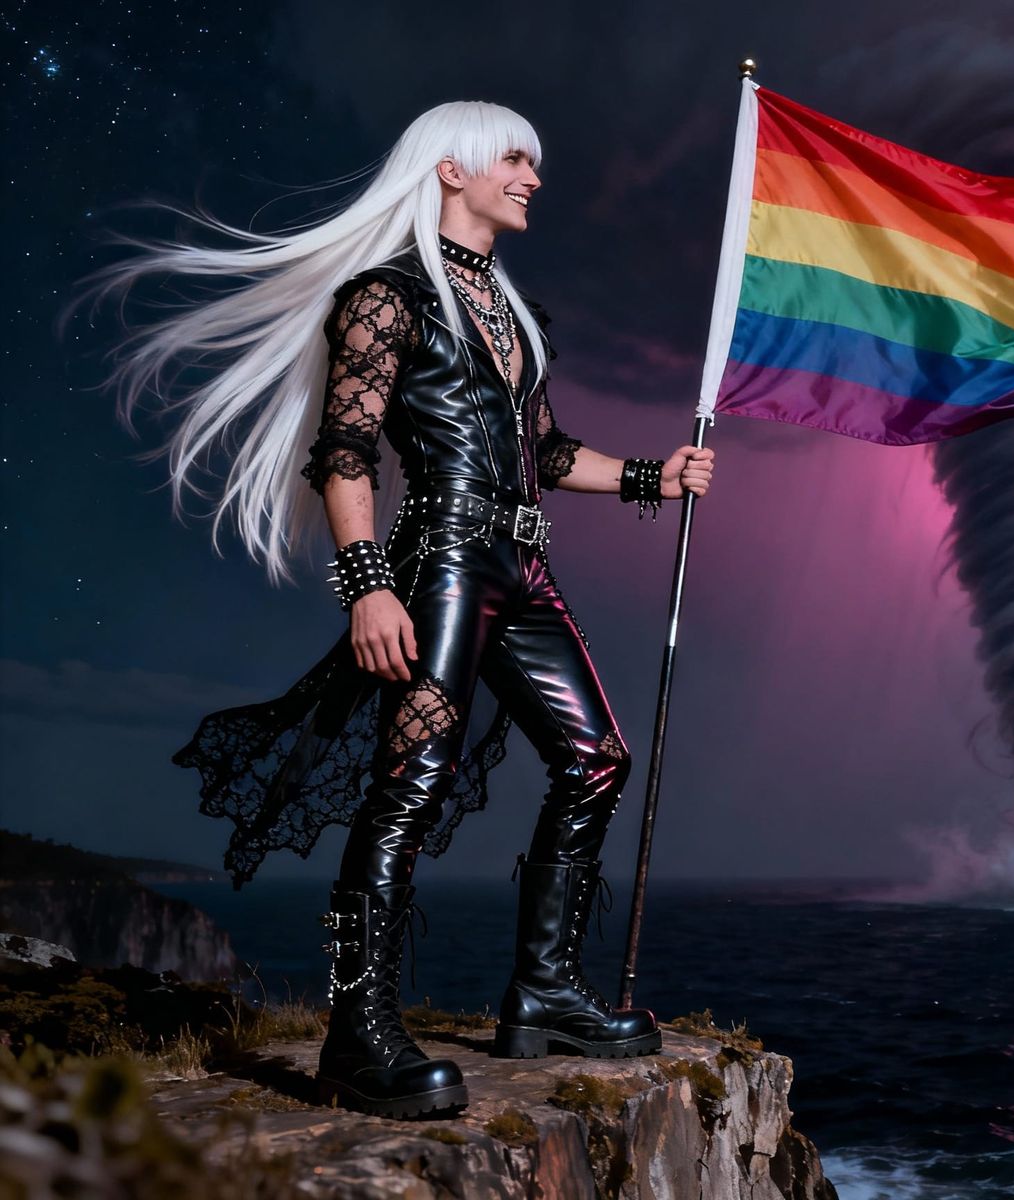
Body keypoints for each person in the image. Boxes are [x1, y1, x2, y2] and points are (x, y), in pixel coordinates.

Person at [89, 101, 714, 1119]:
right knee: (407, 788)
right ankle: (355, 1034)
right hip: (442, 563)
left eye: (531, 160)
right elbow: (343, 452)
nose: (532, 177)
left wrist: (656, 474)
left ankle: (544, 991)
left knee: (597, 756)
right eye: (515, 158)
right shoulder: (386, 299)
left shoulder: (513, 311)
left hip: (523, 566)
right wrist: (365, 587)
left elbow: (547, 455)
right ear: (450, 169)